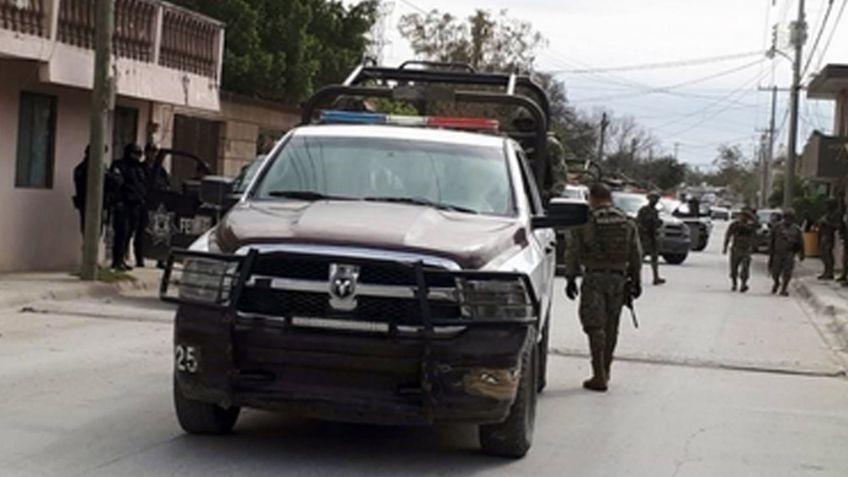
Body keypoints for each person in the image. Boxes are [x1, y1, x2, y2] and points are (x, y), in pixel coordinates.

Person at [565, 183, 642, 392]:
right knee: (611, 326)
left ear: (592, 198)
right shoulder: (626, 221)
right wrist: (635, 281)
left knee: (594, 325)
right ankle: (606, 371)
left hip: (594, 278)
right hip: (618, 279)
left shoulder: (587, 221)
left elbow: (573, 250)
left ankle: (598, 374)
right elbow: (636, 253)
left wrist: (571, 277)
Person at [110, 144, 147, 271]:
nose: (137, 156)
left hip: (135, 206)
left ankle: (122, 259)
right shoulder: (119, 165)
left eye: (139, 154)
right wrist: (117, 201)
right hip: (123, 204)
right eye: (135, 153)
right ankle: (117, 260)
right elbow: (116, 184)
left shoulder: (139, 168)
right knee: (121, 232)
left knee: (129, 233)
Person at [768, 208, 805, 296]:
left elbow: (801, 242)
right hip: (777, 253)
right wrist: (770, 252)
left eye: (790, 218)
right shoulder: (777, 227)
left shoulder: (796, 229)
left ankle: (784, 289)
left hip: (789, 253)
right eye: (787, 217)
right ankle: (776, 282)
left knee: (787, 272)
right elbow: (772, 240)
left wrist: (802, 253)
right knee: (775, 272)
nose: (788, 220)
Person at [723, 207, 757, 292]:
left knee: (745, 268)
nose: (743, 218)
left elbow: (756, 230)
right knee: (734, 268)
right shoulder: (735, 224)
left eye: (746, 216)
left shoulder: (751, 225)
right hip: (736, 248)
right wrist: (725, 246)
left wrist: (752, 217)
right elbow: (728, 235)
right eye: (742, 216)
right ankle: (734, 284)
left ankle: (743, 284)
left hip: (746, 249)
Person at [636, 191, 666, 285]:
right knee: (640, 258)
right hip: (645, 236)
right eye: (653, 199)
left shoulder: (655, 211)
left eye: (656, 199)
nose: (655, 201)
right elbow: (639, 222)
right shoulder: (644, 210)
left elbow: (656, 223)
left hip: (652, 236)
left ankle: (656, 277)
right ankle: (636, 277)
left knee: (654, 258)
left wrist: (658, 223)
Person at [817, 198, 841, 280]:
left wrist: (825, 222)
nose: (826, 206)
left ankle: (830, 272)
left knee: (828, 254)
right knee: (823, 254)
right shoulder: (828, 213)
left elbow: (837, 226)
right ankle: (826, 271)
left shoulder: (836, 213)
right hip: (823, 234)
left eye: (828, 204)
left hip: (829, 235)